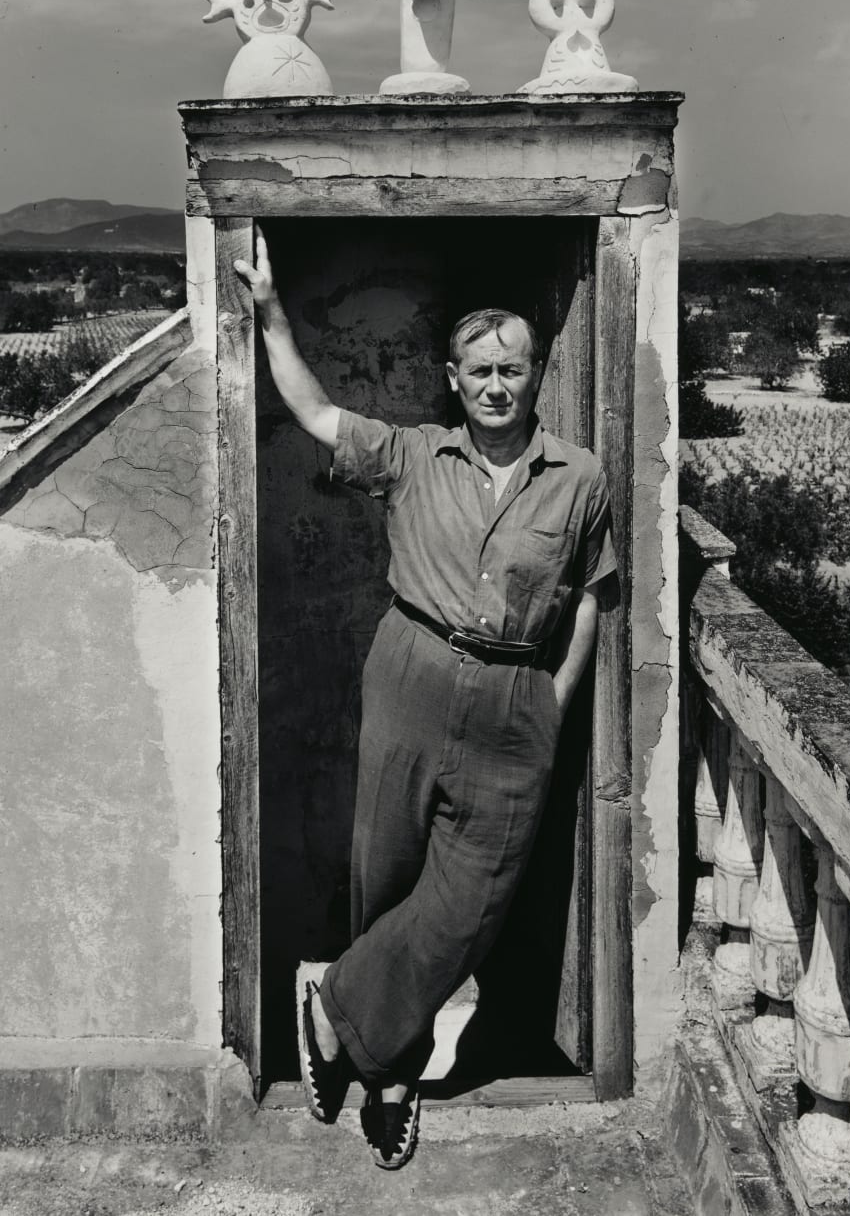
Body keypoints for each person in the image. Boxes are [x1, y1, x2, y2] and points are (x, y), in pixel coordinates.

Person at [235, 229, 616, 1169]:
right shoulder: (412, 454)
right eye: (480, 369)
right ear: (452, 376)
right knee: (388, 879)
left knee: (467, 905)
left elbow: (593, 601)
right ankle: (395, 1077)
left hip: (516, 696)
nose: (497, 385)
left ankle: (330, 1004)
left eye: (513, 370)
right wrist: (274, 315)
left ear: (536, 375)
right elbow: (318, 413)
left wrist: (554, 703)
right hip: (409, 672)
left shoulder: (582, 477)